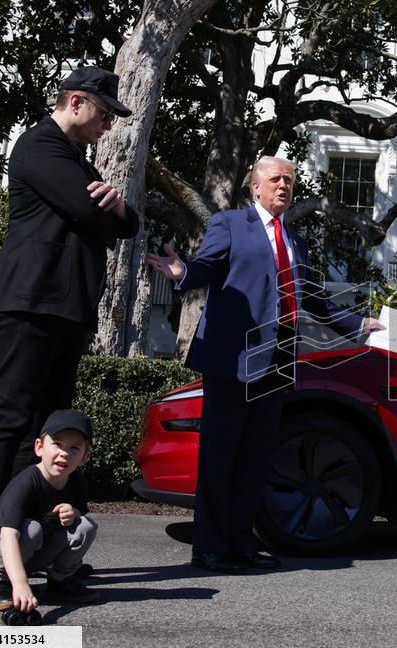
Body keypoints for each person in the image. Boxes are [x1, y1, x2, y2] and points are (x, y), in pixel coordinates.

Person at [145, 156, 383, 573]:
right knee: (220, 457)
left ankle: (240, 543)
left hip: (276, 362)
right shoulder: (231, 224)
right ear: (255, 187)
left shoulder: (296, 240)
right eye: (275, 179)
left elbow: (313, 300)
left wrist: (360, 325)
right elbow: (205, 268)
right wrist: (182, 272)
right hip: (233, 360)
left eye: (289, 181)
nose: (283, 186)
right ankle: (211, 547)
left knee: (255, 459)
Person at [0, 66, 138, 594]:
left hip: (67, 308)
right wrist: (111, 213)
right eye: (105, 113)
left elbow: (123, 224)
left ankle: (26, 549)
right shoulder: (39, 147)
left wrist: (119, 211)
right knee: (9, 422)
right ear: (77, 102)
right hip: (30, 302)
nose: (108, 124)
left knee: (44, 429)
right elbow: (89, 210)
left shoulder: (76, 160)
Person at [0, 409, 99, 613]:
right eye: (57, 444)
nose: (64, 453)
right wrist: (21, 584)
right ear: (39, 447)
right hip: (5, 550)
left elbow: (79, 513)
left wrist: (73, 512)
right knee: (31, 528)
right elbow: (8, 535)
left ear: (85, 457)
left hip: (37, 552)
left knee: (85, 526)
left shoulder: (77, 481)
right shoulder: (26, 482)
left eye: (74, 448)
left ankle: (61, 580)